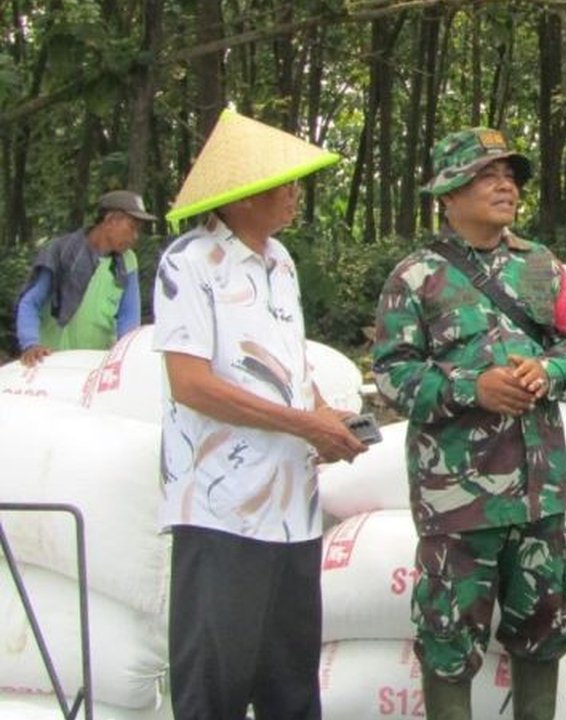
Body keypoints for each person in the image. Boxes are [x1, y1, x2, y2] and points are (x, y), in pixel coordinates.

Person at [372, 127, 566, 720]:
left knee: (545, 623)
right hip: (458, 502)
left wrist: (546, 371)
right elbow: (393, 376)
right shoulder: (416, 277)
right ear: (448, 193)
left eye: (510, 175)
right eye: (485, 174)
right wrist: (474, 388)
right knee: (450, 635)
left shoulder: (541, 267)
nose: (504, 184)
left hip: (536, 494)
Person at [153, 109, 368, 720]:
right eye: (286, 184)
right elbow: (191, 384)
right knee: (214, 683)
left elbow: (291, 371)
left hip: (291, 508)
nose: (296, 195)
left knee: (290, 684)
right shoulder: (188, 263)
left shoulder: (281, 264)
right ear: (244, 194)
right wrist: (304, 425)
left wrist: (327, 418)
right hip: (221, 509)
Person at [14, 190, 155, 366]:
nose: (135, 237)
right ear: (110, 220)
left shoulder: (128, 261)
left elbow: (129, 317)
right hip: (49, 362)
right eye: (132, 227)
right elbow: (30, 303)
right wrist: (31, 344)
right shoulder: (60, 251)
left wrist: (126, 357)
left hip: (95, 366)